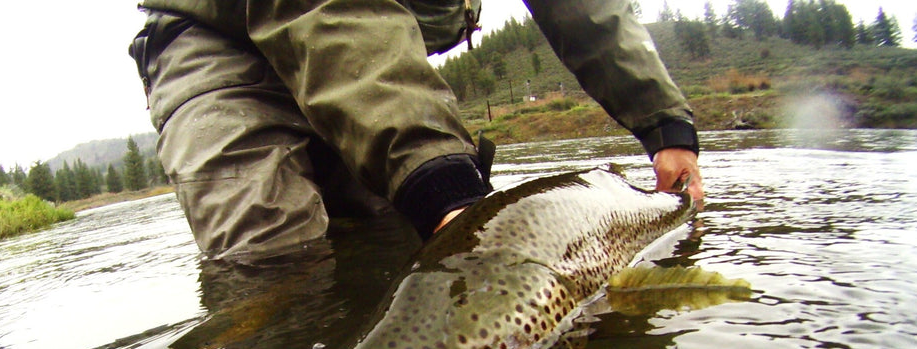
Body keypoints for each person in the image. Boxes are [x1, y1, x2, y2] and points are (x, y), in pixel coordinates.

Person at [130, 0, 703, 260]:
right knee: (272, 270)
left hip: (370, 53)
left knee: (404, 251)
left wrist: (665, 125)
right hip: (218, 43)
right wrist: (438, 181)